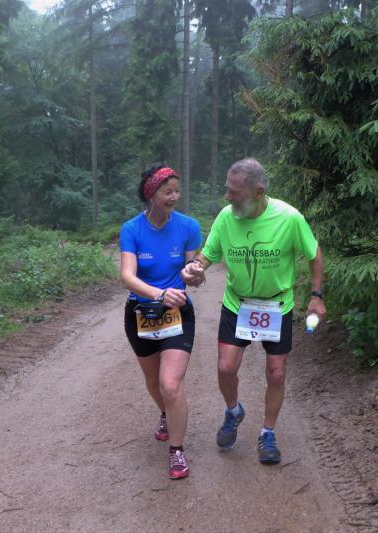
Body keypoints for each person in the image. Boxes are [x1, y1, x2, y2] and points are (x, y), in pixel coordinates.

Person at [181, 158, 325, 464]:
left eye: (235, 192)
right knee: (225, 368)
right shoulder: (226, 217)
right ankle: (233, 411)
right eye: (227, 189)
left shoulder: (289, 218)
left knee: (276, 372)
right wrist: (195, 267)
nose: (227, 197)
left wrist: (316, 296)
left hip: (277, 305)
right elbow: (208, 254)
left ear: (258, 192)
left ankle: (267, 433)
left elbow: (314, 254)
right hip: (238, 303)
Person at [120, 163, 201, 479]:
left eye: (177, 191)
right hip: (141, 313)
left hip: (178, 312)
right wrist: (159, 293)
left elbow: (193, 270)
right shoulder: (131, 230)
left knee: (170, 383)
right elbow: (127, 276)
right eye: (168, 192)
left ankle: (176, 450)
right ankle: (166, 413)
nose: (174, 197)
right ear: (151, 194)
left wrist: (194, 275)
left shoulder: (188, 226)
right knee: (154, 383)